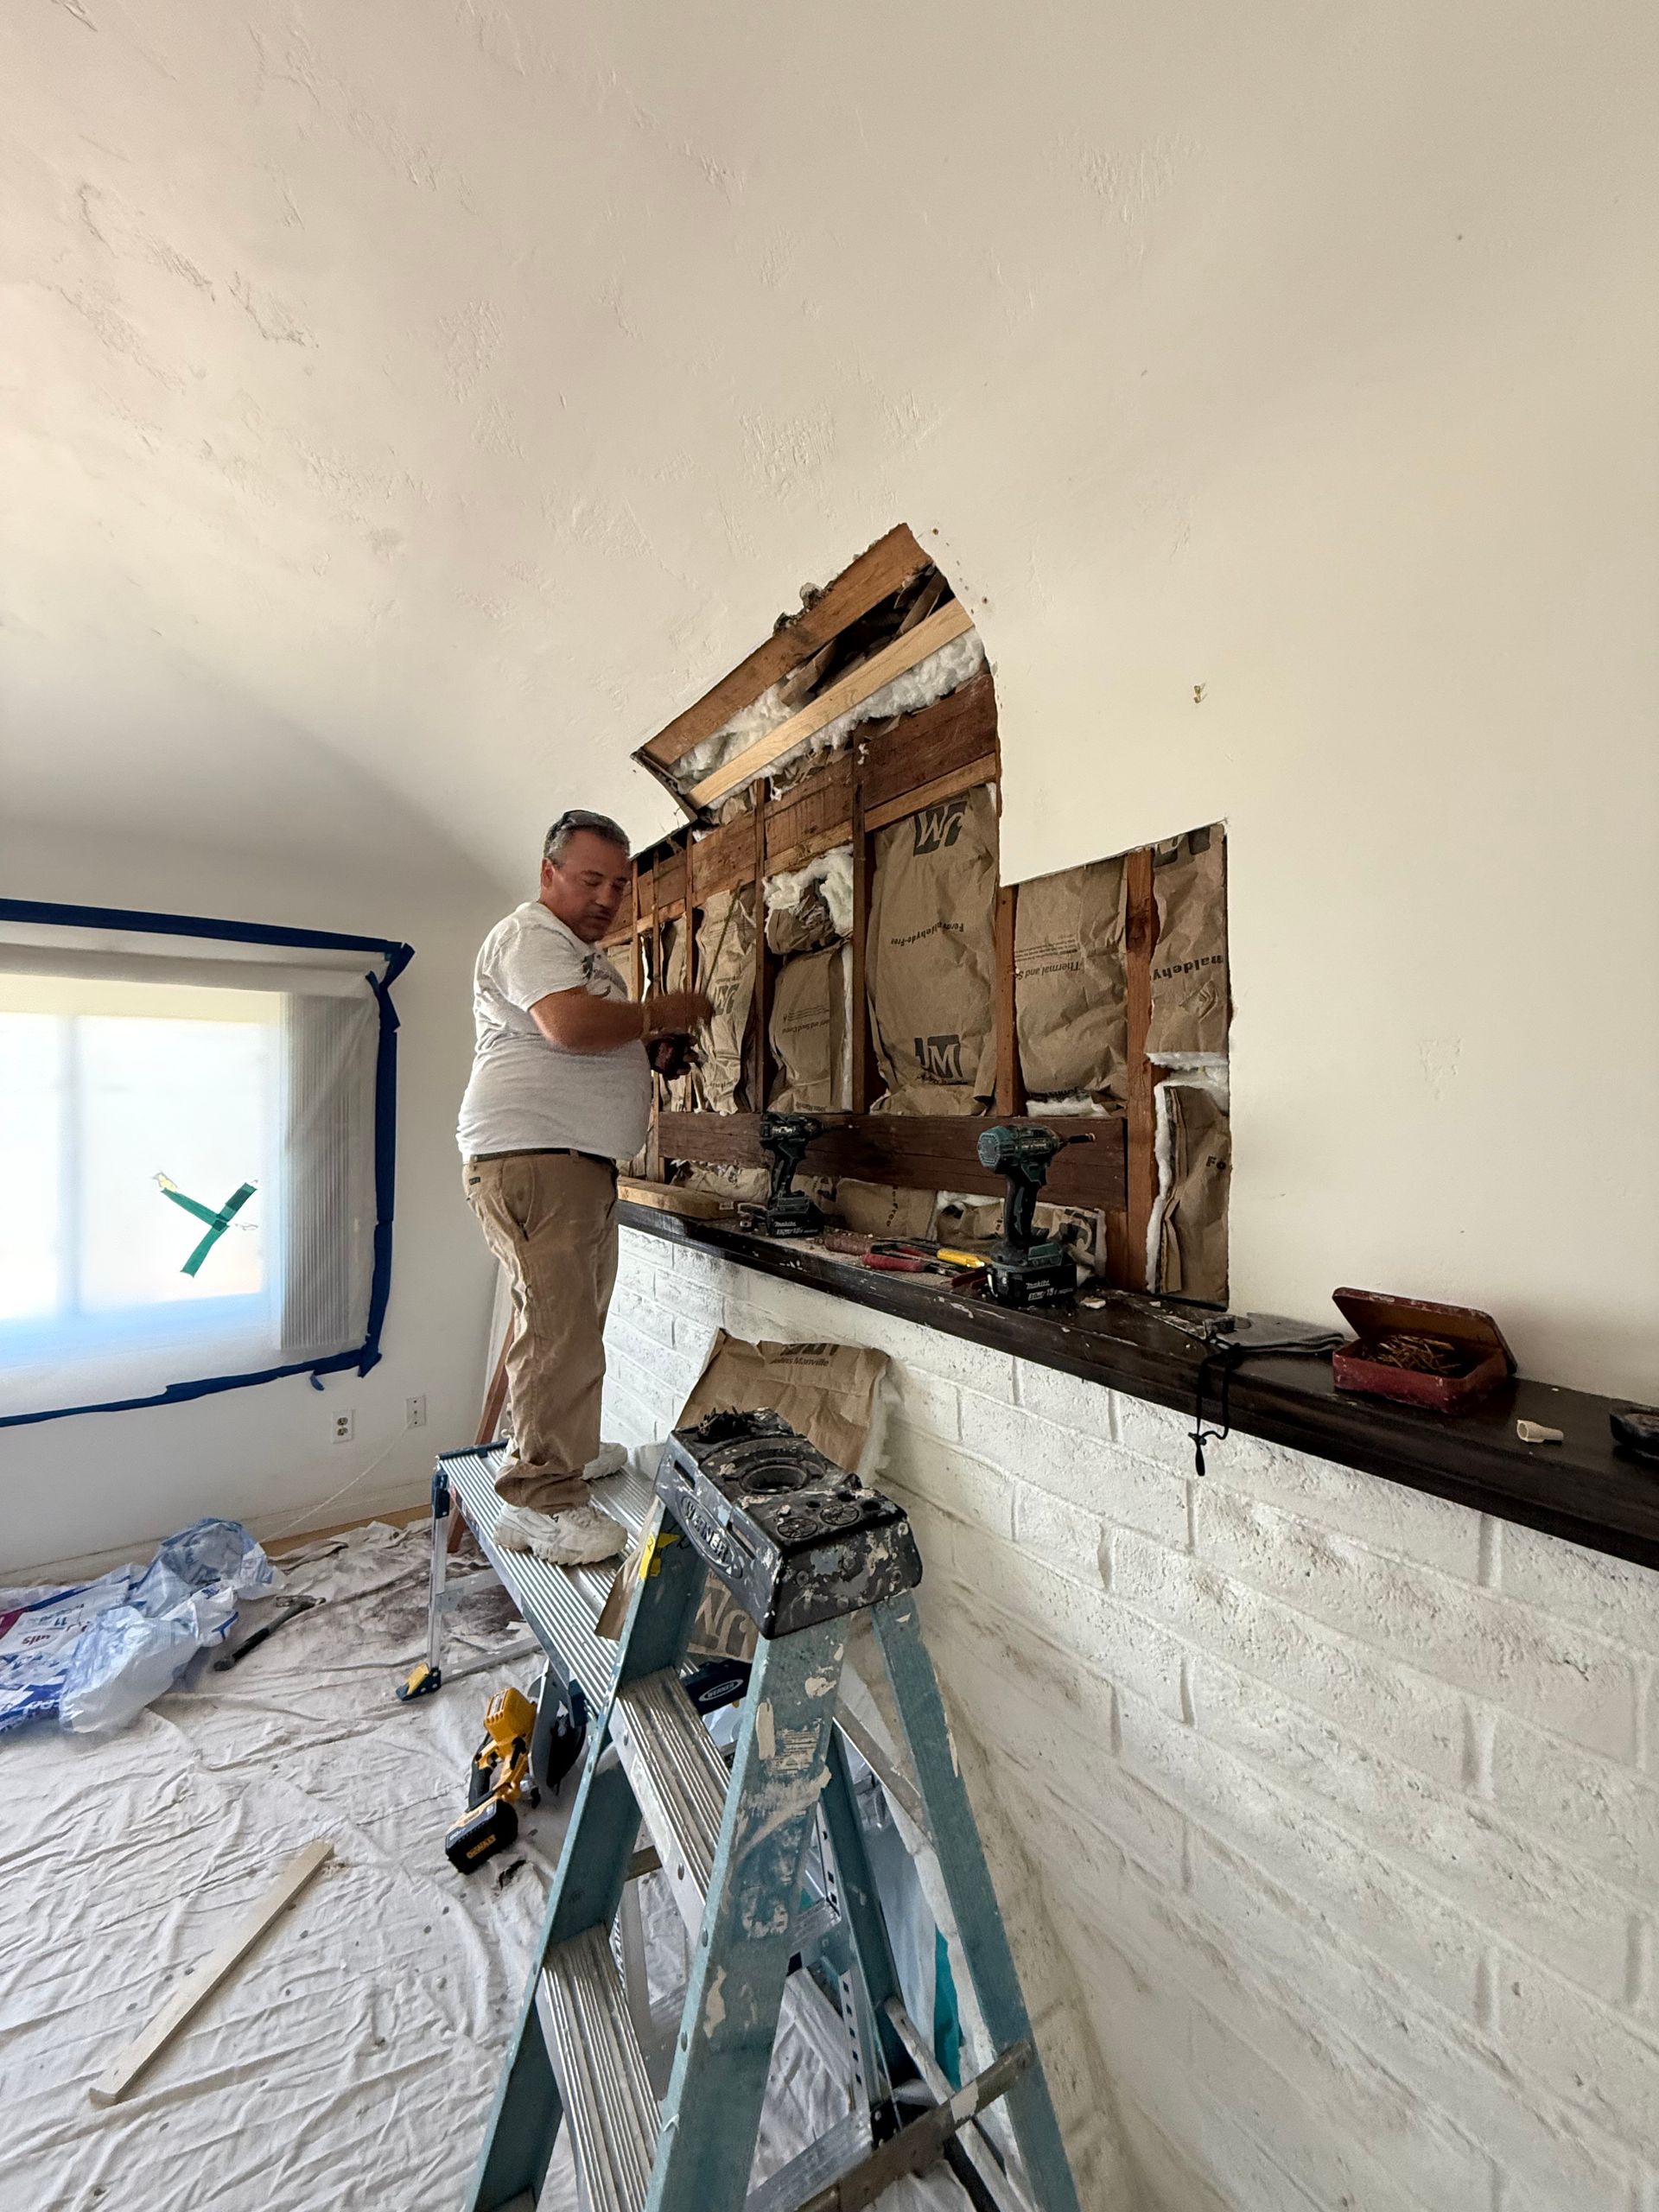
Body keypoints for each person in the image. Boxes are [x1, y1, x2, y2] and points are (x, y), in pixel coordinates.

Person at [457, 810, 710, 1565]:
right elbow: (567, 1026)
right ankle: (540, 1504)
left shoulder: (579, 955)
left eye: (619, 885)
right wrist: (662, 1011)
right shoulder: (530, 934)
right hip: (535, 1159)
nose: (608, 898)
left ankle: (554, 1453)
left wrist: (644, 1047)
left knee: (570, 1327)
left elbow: (590, 1033)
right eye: (591, 879)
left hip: (571, 1165)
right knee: (560, 1331)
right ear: (548, 874)